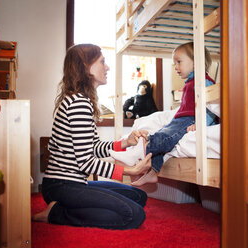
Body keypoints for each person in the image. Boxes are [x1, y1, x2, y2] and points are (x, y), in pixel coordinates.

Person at [32, 44, 152, 230]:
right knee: (133, 215)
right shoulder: (78, 103)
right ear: (85, 67)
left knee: (139, 197)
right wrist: (131, 170)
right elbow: (86, 163)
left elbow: (93, 146)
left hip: (74, 183)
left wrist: (126, 142)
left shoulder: (81, 100)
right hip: (62, 185)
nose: (107, 67)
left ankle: (65, 207)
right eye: (102, 62)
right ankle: (56, 213)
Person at [109, 42, 219, 186]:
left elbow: (211, 107)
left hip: (189, 120)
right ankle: (153, 172)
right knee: (163, 133)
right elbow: (185, 108)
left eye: (179, 62)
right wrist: (173, 122)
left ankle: (138, 153)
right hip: (182, 119)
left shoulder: (204, 82)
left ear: (196, 61)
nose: (176, 67)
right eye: (174, 63)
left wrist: (201, 124)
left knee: (164, 138)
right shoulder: (190, 82)